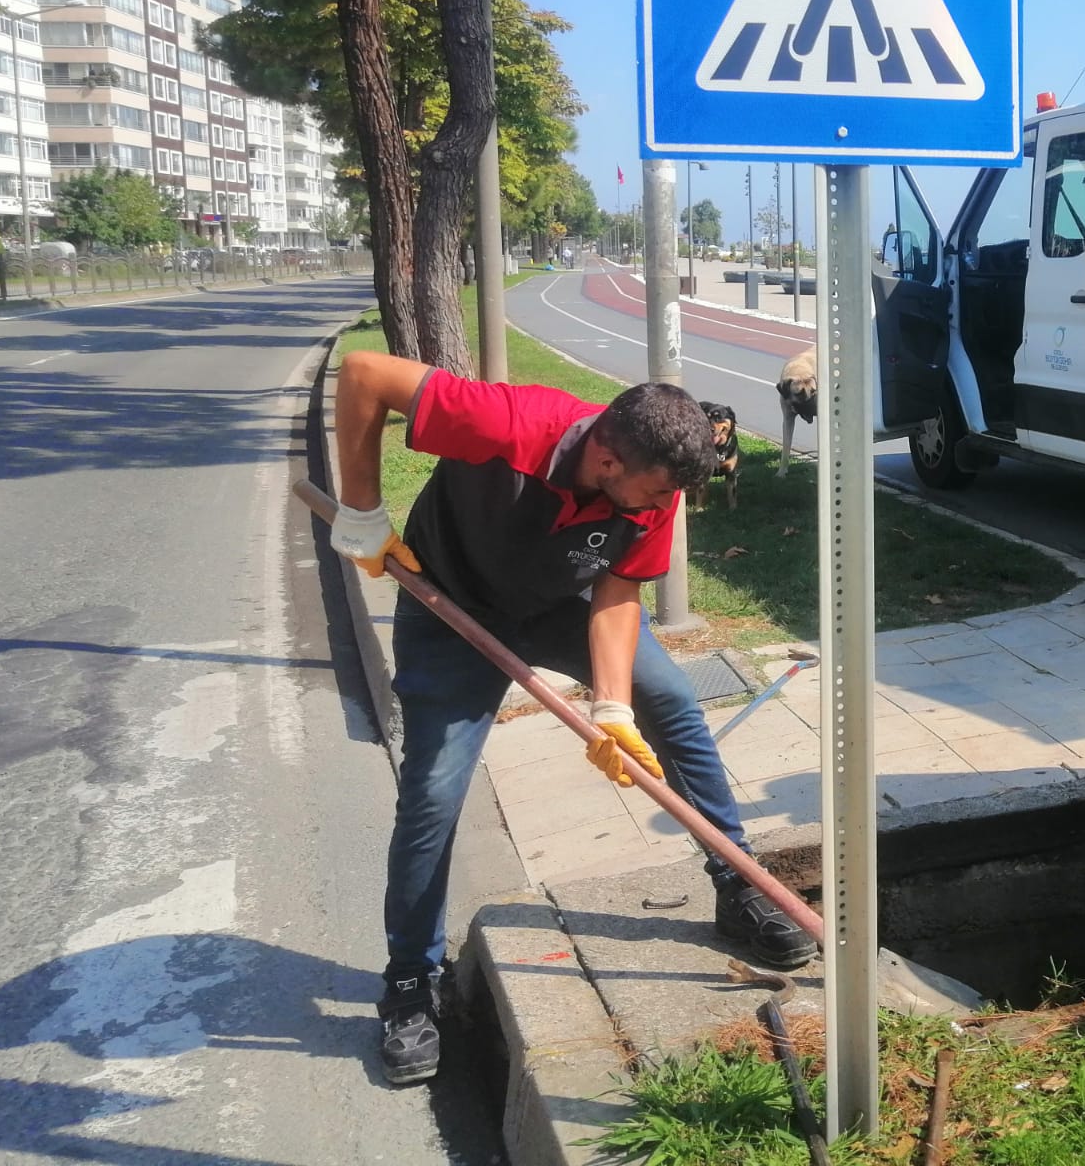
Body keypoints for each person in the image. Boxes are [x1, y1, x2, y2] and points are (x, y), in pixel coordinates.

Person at [326, 352, 815, 1085]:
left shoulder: (659, 483)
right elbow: (365, 373)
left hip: (565, 603)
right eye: (649, 494)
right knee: (432, 792)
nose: (659, 509)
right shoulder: (510, 421)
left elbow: (620, 598)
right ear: (607, 458)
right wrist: (361, 510)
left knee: (672, 704)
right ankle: (408, 982)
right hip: (450, 606)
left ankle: (736, 883)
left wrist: (612, 708)